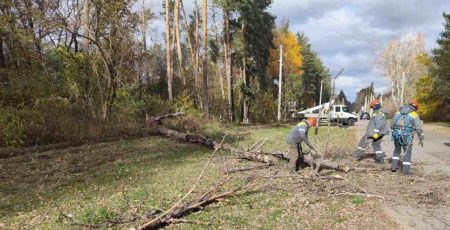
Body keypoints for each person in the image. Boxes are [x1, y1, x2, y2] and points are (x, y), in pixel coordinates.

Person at [391, 99, 424, 174]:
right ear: (415, 108)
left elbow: (392, 124)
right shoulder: (414, 114)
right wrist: (421, 138)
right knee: (407, 152)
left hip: (396, 134)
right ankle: (405, 171)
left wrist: (394, 131)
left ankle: (393, 167)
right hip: (406, 135)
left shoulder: (398, 112)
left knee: (396, 150)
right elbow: (418, 128)